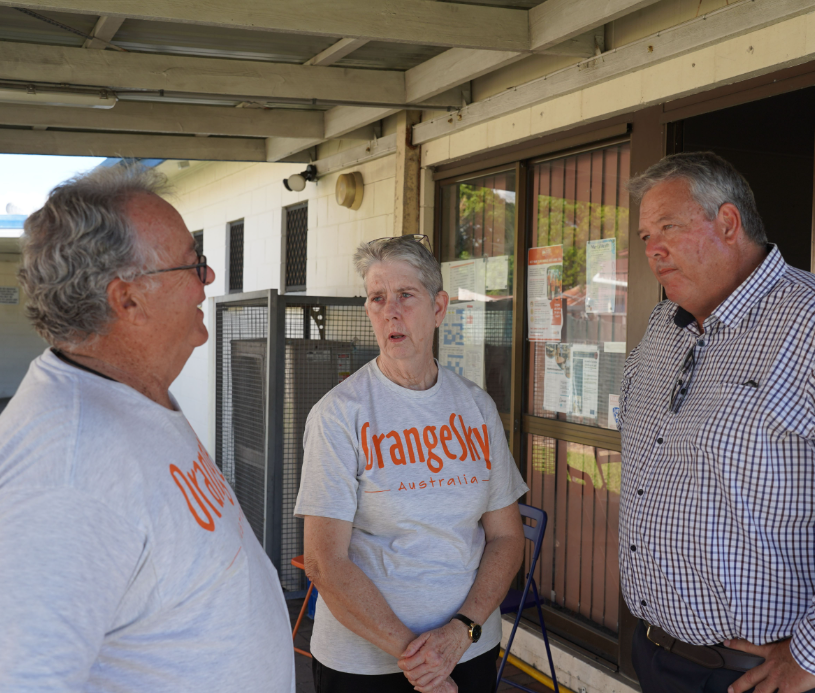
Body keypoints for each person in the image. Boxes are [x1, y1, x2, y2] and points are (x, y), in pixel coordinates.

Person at [0, 165, 295, 692]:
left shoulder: (130, 395)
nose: (207, 279)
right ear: (127, 300)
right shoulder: (68, 472)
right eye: (192, 263)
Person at [293, 235, 527, 693]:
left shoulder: (476, 407)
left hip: (469, 650)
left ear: (439, 308)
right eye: (377, 298)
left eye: (405, 296)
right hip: (366, 667)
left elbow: (506, 536)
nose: (390, 311)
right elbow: (325, 562)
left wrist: (462, 632)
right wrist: (421, 662)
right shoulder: (339, 414)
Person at [619, 151, 815, 693]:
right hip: (655, 654)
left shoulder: (806, 323)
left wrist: (811, 656)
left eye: (668, 228)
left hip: (756, 677)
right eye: (644, 236)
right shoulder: (662, 327)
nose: (652, 249)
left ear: (728, 223)